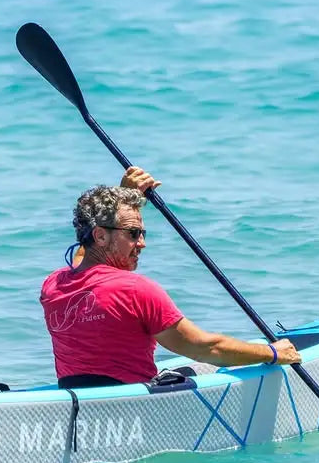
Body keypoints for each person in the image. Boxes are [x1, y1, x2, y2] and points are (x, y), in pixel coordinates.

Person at [41, 166, 301, 389]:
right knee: (209, 366)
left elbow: (85, 254)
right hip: (135, 408)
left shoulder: (53, 285)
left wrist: (123, 196)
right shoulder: (135, 289)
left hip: (78, 400)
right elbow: (206, 348)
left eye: (143, 233)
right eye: (133, 233)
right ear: (100, 236)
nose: (141, 243)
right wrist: (273, 352)